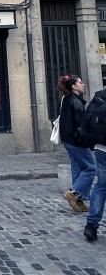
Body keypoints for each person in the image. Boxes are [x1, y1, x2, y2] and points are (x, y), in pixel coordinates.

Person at [57, 74, 96, 212]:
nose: (83, 84)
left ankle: (79, 201)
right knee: (91, 168)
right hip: (76, 141)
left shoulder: (66, 99)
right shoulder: (76, 102)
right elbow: (80, 127)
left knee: (78, 169)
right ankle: (73, 192)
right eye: (80, 82)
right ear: (74, 86)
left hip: (68, 140)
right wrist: (89, 142)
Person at [83, 87, 106, 242]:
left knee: (101, 185)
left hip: (101, 148)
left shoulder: (99, 97)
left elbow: (87, 121)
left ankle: (91, 225)